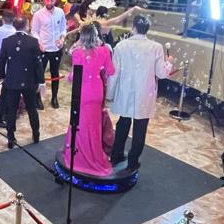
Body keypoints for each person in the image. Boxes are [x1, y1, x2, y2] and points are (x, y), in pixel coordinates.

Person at [107, 15, 174, 173]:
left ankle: (116, 155)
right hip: (145, 92)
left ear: (133, 28)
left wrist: (109, 94)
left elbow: (114, 73)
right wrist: (169, 62)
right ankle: (133, 161)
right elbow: (161, 73)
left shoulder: (121, 46)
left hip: (125, 90)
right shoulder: (156, 47)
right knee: (140, 127)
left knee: (123, 123)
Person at [62, 22, 116, 176]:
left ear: (83, 37)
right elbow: (111, 71)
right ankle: (94, 155)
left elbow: (73, 76)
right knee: (94, 125)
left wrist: (69, 77)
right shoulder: (104, 51)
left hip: (83, 93)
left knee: (80, 124)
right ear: (96, 35)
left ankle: (79, 158)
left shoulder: (78, 53)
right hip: (97, 92)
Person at [0, 17, 43, 149]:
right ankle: (36, 134)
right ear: (26, 26)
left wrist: (2, 77)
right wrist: (40, 81)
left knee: (11, 110)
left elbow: (2, 61)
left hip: (12, 81)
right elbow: (38, 64)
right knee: (32, 109)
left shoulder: (7, 41)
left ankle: (11, 138)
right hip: (29, 81)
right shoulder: (33, 42)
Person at [30, 0, 67, 109]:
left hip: (56, 48)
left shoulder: (60, 12)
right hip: (43, 48)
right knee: (39, 74)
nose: (49, 2)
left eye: (51, 0)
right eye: (47, 0)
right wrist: (39, 43)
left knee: (55, 73)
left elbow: (63, 29)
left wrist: (62, 39)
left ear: (55, 0)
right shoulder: (38, 14)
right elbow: (34, 31)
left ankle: (54, 97)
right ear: (43, 0)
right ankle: (37, 99)